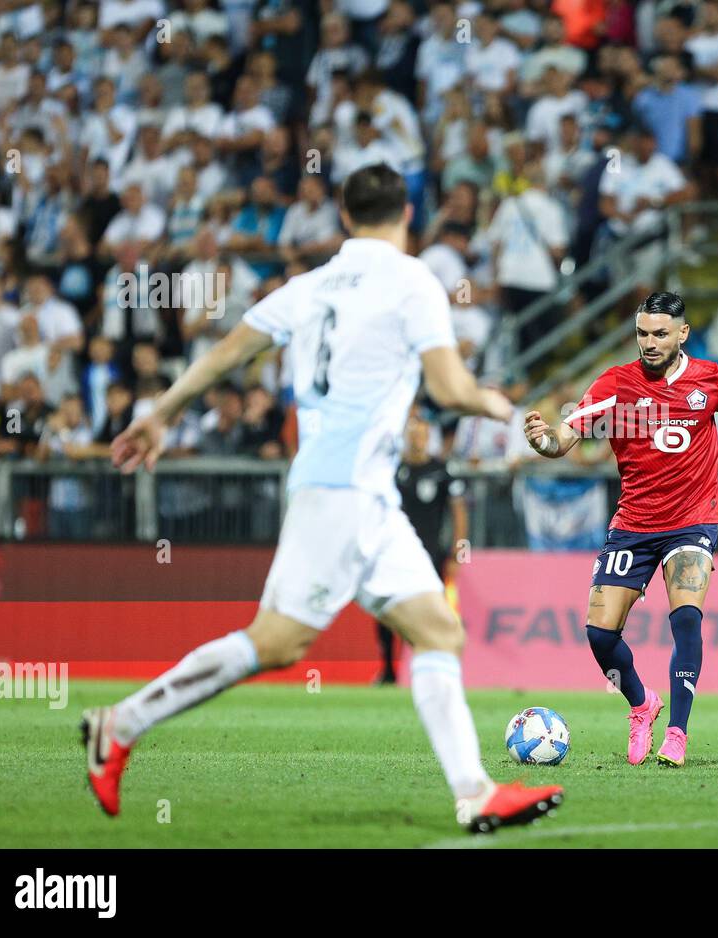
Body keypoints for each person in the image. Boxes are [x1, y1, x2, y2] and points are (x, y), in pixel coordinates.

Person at [85, 164, 563, 834]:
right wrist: (496, 402)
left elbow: (225, 352)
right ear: (407, 216)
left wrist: (161, 413)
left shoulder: (306, 287)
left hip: (355, 490)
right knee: (278, 644)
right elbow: (452, 389)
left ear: (343, 217)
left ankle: (475, 792)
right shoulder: (412, 279)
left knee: (437, 630)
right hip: (343, 491)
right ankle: (120, 723)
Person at [521, 291, 718, 767]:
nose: (649, 343)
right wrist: (543, 442)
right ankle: (642, 704)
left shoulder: (712, 379)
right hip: (634, 522)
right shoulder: (614, 384)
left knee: (685, 618)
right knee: (600, 634)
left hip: (694, 519)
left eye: (660, 334)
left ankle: (677, 732)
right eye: (642, 333)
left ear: (683, 333)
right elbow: (564, 439)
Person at [373, 410, 467, 685]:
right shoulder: (392, 470)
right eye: (413, 432)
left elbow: (459, 512)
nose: (418, 438)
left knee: (431, 613)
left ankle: (428, 669)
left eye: (422, 432)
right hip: (392, 554)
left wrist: (457, 553)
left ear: (429, 436)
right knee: (387, 611)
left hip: (430, 556)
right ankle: (388, 669)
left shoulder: (441, 471)